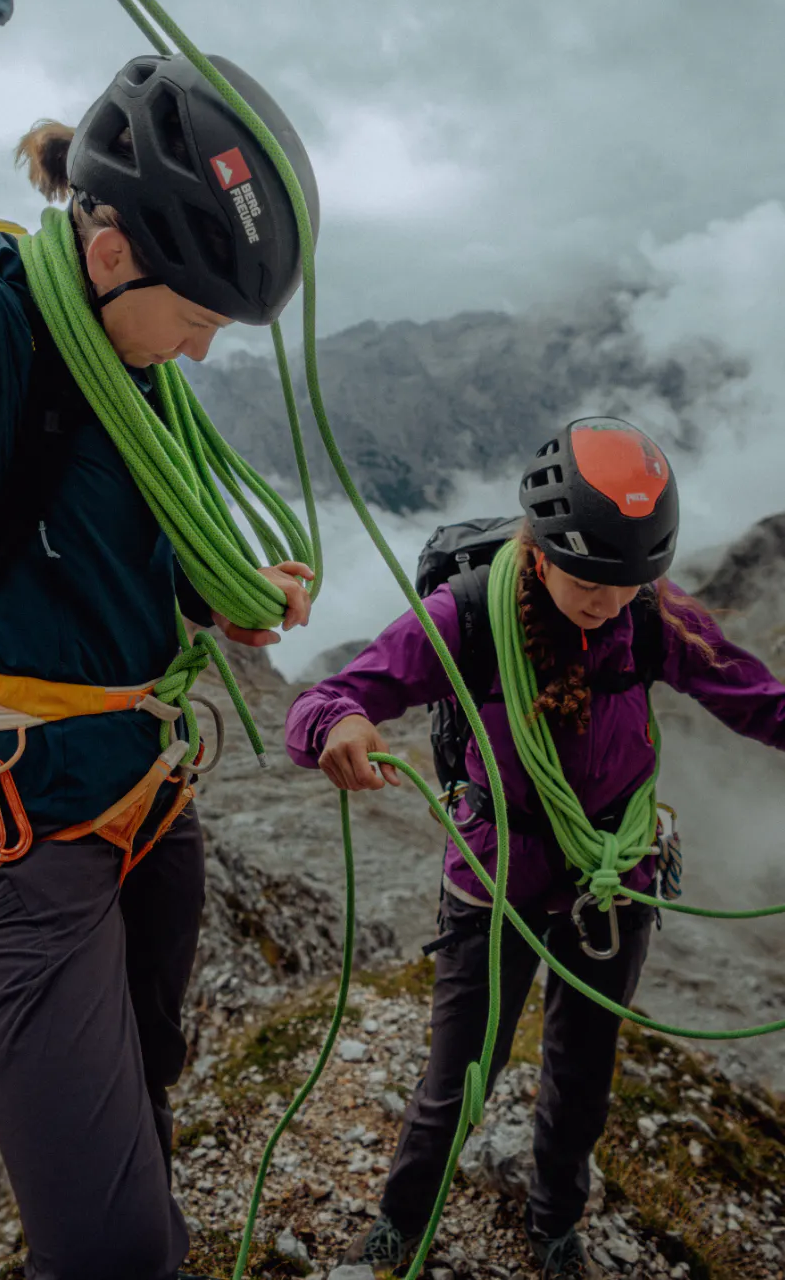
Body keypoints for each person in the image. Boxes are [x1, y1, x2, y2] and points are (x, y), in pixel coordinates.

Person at [0, 0, 319, 1278]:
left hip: (148, 809)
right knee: (107, 1245)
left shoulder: (137, 379)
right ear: (109, 253)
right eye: (203, 314)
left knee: (148, 1110)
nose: (212, 349)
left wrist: (218, 597)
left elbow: (110, 544)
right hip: (25, 839)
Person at [285, 417, 785, 1279]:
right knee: (456, 1078)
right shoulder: (469, 614)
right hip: (495, 881)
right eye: (590, 578)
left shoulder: (652, 617)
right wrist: (340, 724)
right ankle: (403, 1221)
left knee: (582, 1079)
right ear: (543, 548)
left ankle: (556, 1222)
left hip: (612, 881)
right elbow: (328, 699)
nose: (607, 600)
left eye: (627, 582)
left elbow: (757, 697)